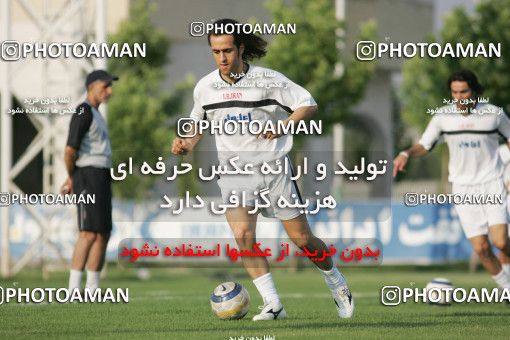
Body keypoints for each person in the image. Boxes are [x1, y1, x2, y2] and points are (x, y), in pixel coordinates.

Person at [171, 18, 354, 320]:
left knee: (303, 240)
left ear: (241, 48)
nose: (222, 58)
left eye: (227, 50)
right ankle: (274, 305)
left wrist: (285, 125)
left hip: (273, 171)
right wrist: (185, 143)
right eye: (216, 52)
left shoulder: (268, 79)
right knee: (243, 236)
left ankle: (335, 280)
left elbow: (307, 103)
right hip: (233, 174)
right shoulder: (205, 87)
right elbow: (197, 124)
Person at [393, 69, 510, 290]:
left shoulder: (493, 114)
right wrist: (406, 153)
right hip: (463, 189)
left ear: (475, 91)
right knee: (482, 248)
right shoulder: (443, 117)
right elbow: (425, 145)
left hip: (492, 183)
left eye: (464, 92)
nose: (459, 97)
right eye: (454, 93)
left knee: (501, 242)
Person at [62, 69, 118, 292]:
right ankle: (73, 288)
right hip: (87, 175)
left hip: (102, 175)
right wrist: (72, 177)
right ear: (91, 86)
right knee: (88, 233)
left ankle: (93, 288)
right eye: (105, 86)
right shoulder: (83, 112)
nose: (109, 90)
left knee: (103, 232)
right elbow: (69, 150)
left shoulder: (97, 115)